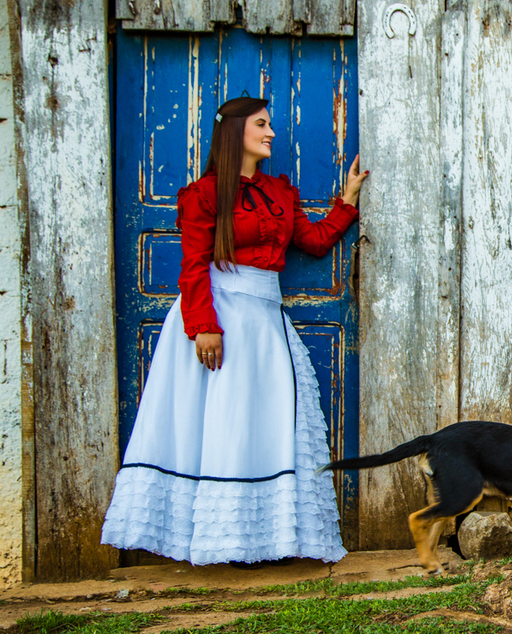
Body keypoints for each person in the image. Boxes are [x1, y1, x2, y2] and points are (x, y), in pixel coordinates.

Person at [101, 96, 369, 567]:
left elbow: (313, 241)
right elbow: (192, 268)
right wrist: (204, 326)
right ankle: (211, 540)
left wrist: (347, 201)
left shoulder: (279, 194)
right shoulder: (205, 194)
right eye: (261, 125)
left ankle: (262, 541)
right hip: (219, 318)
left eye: (269, 125)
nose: (270, 133)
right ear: (234, 132)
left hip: (265, 324)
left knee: (258, 425)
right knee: (219, 424)